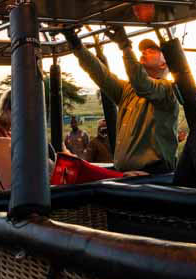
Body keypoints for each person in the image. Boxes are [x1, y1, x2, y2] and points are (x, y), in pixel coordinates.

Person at [63, 26, 178, 172]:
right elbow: (101, 74)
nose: (144, 52)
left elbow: (142, 83)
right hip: (127, 176)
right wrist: (75, 43)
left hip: (153, 176)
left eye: (152, 50)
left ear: (164, 64)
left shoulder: (166, 90)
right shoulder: (128, 90)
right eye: (143, 50)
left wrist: (125, 46)